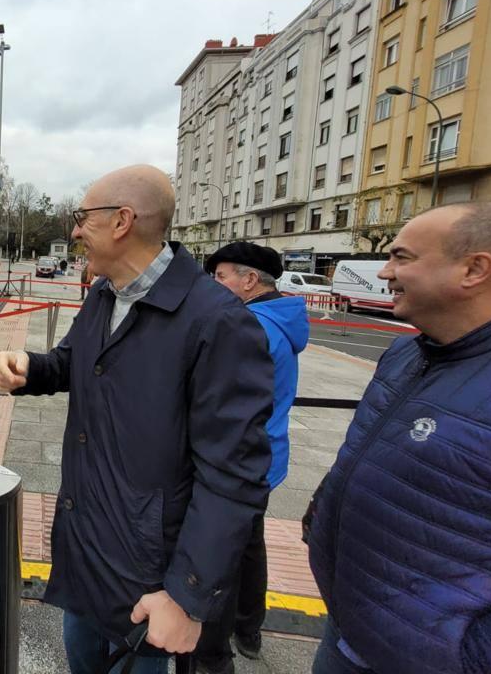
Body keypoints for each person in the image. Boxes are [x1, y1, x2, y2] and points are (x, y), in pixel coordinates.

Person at [0, 165, 274, 674]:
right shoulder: (105, 293)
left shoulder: (220, 323)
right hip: (87, 554)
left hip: (151, 583)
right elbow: (71, 360)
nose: (74, 230)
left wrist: (186, 598)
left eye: (83, 218)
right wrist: (30, 368)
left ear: (122, 221)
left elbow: (233, 479)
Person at [306, 202, 491, 674]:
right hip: (349, 632)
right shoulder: (404, 353)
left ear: (474, 269)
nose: (386, 272)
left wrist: (467, 657)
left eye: (402, 257)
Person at [197, 243, 309, 673]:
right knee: (247, 546)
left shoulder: (250, 326)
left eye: (221, 276)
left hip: (241, 458)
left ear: (249, 280)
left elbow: (215, 399)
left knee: (223, 553)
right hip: (266, 453)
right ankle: (249, 628)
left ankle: (217, 648)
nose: (214, 284)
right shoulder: (277, 319)